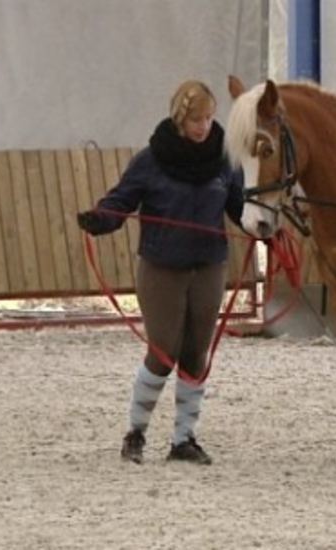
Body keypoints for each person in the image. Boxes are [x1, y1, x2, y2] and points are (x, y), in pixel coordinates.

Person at [77, 79, 244, 466]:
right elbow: (121, 201)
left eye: (208, 118)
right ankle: (136, 432)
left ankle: (184, 439)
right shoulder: (150, 161)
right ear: (180, 118)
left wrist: (264, 229)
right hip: (161, 267)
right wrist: (101, 219)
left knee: (195, 353)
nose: (203, 126)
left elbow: (238, 206)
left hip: (209, 265)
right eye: (195, 119)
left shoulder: (224, 159)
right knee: (162, 350)